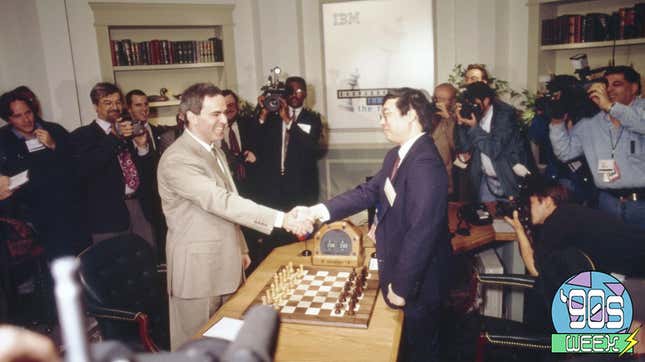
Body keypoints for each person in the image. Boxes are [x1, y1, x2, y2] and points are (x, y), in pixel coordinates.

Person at [156, 82, 313, 350]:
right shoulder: (178, 159)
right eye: (215, 114)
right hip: (197, 275)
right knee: (194, 350)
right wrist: (282, 219)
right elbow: (221, 201)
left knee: (225, 347)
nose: (224, 119)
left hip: (227, 262)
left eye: (225, 112)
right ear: (191, 117)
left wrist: (240, 246)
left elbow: (230, 201)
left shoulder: (214, 149)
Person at [304, 88, 451, 361]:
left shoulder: (425, 162)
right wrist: (318, 211)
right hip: (402, 270)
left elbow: (422, 230)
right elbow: (369, 192)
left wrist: (403, 287)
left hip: (420, 282)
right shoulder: (397, 155)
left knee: (422, 351)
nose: (381, 121)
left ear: (412, 116)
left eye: (387, 114)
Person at [549, 66, 645, 230]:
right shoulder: (590, 124)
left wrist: (610, 107)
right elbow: (565, 153)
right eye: (606, 85)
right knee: (609, 254)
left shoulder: (640, 115)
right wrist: (557, 122)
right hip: (606, 203)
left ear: (634, 88)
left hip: (641, 205)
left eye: (617, 84)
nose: (609, 90)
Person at [0, 90, 88, 260]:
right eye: (18, 116)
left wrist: (55, 146)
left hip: (70, 212)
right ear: (8, 119)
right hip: (34, 220)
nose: (26, 120)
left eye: (28, 112)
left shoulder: (55, 130)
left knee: (82, 263)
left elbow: (79, 166)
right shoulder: (3, 140)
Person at [70, 82, 157, 248]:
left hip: (139, 208)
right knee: (116, 270)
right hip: (107, 216)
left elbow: (147, 175)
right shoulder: (82, 136)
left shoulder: (129, 130)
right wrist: (114, 138)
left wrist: (142, 148)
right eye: (107, 103)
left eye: (118, 102)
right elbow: (85, 170)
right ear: (96, 106)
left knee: (148, 263)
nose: (114, 107)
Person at [504, 177, 644, 278]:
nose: (528, 209)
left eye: (532, 203)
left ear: (547, 202)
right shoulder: (569, 214)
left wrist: (519, 230)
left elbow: (536, 270)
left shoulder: (557, 221)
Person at [455, 81, 530, 201]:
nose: (472, 105)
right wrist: (460, 124)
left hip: (506, 178)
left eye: (475, 102)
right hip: (485, 180)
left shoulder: (504, 114)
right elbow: (465, 148)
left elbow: (494, 149)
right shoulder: (475, 113)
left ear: (486, 100)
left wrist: (474, 128)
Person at [221, 89, 258, 198]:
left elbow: (261, 149)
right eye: (225, 105)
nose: (229, 108)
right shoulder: (215, 130)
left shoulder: (249, 123)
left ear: (237, 105)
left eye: (232, 104)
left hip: (252, 183)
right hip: (227, 185)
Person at [126, 89, 181, 155]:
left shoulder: (156, 130)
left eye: (146, 104)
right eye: (138, 105)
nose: (144, 108)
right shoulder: (126, 134)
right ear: (129, 109)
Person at [431, 83, 457, 196]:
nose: (438, 102)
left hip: (450, 175)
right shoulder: (429, 115)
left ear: (453, 101)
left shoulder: (458, 118)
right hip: (430, 172)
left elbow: (456, 145)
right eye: (436, 98)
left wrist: (448, 119)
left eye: (443, 99)